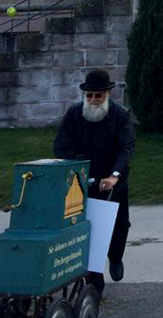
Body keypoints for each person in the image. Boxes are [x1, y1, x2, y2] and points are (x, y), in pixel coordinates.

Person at [53, 68, 135, 295]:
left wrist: (114, 176)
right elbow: (61, 146)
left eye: (98, 96)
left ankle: (115, 257)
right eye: (89, 95)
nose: (93, 100)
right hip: (82, 182)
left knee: (120, 226)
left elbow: (126, 149)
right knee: (91, 230)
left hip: (112, 183)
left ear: (107, 94)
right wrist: (74, 171)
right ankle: (94, 283)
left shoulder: (120, 116)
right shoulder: (74, 115)